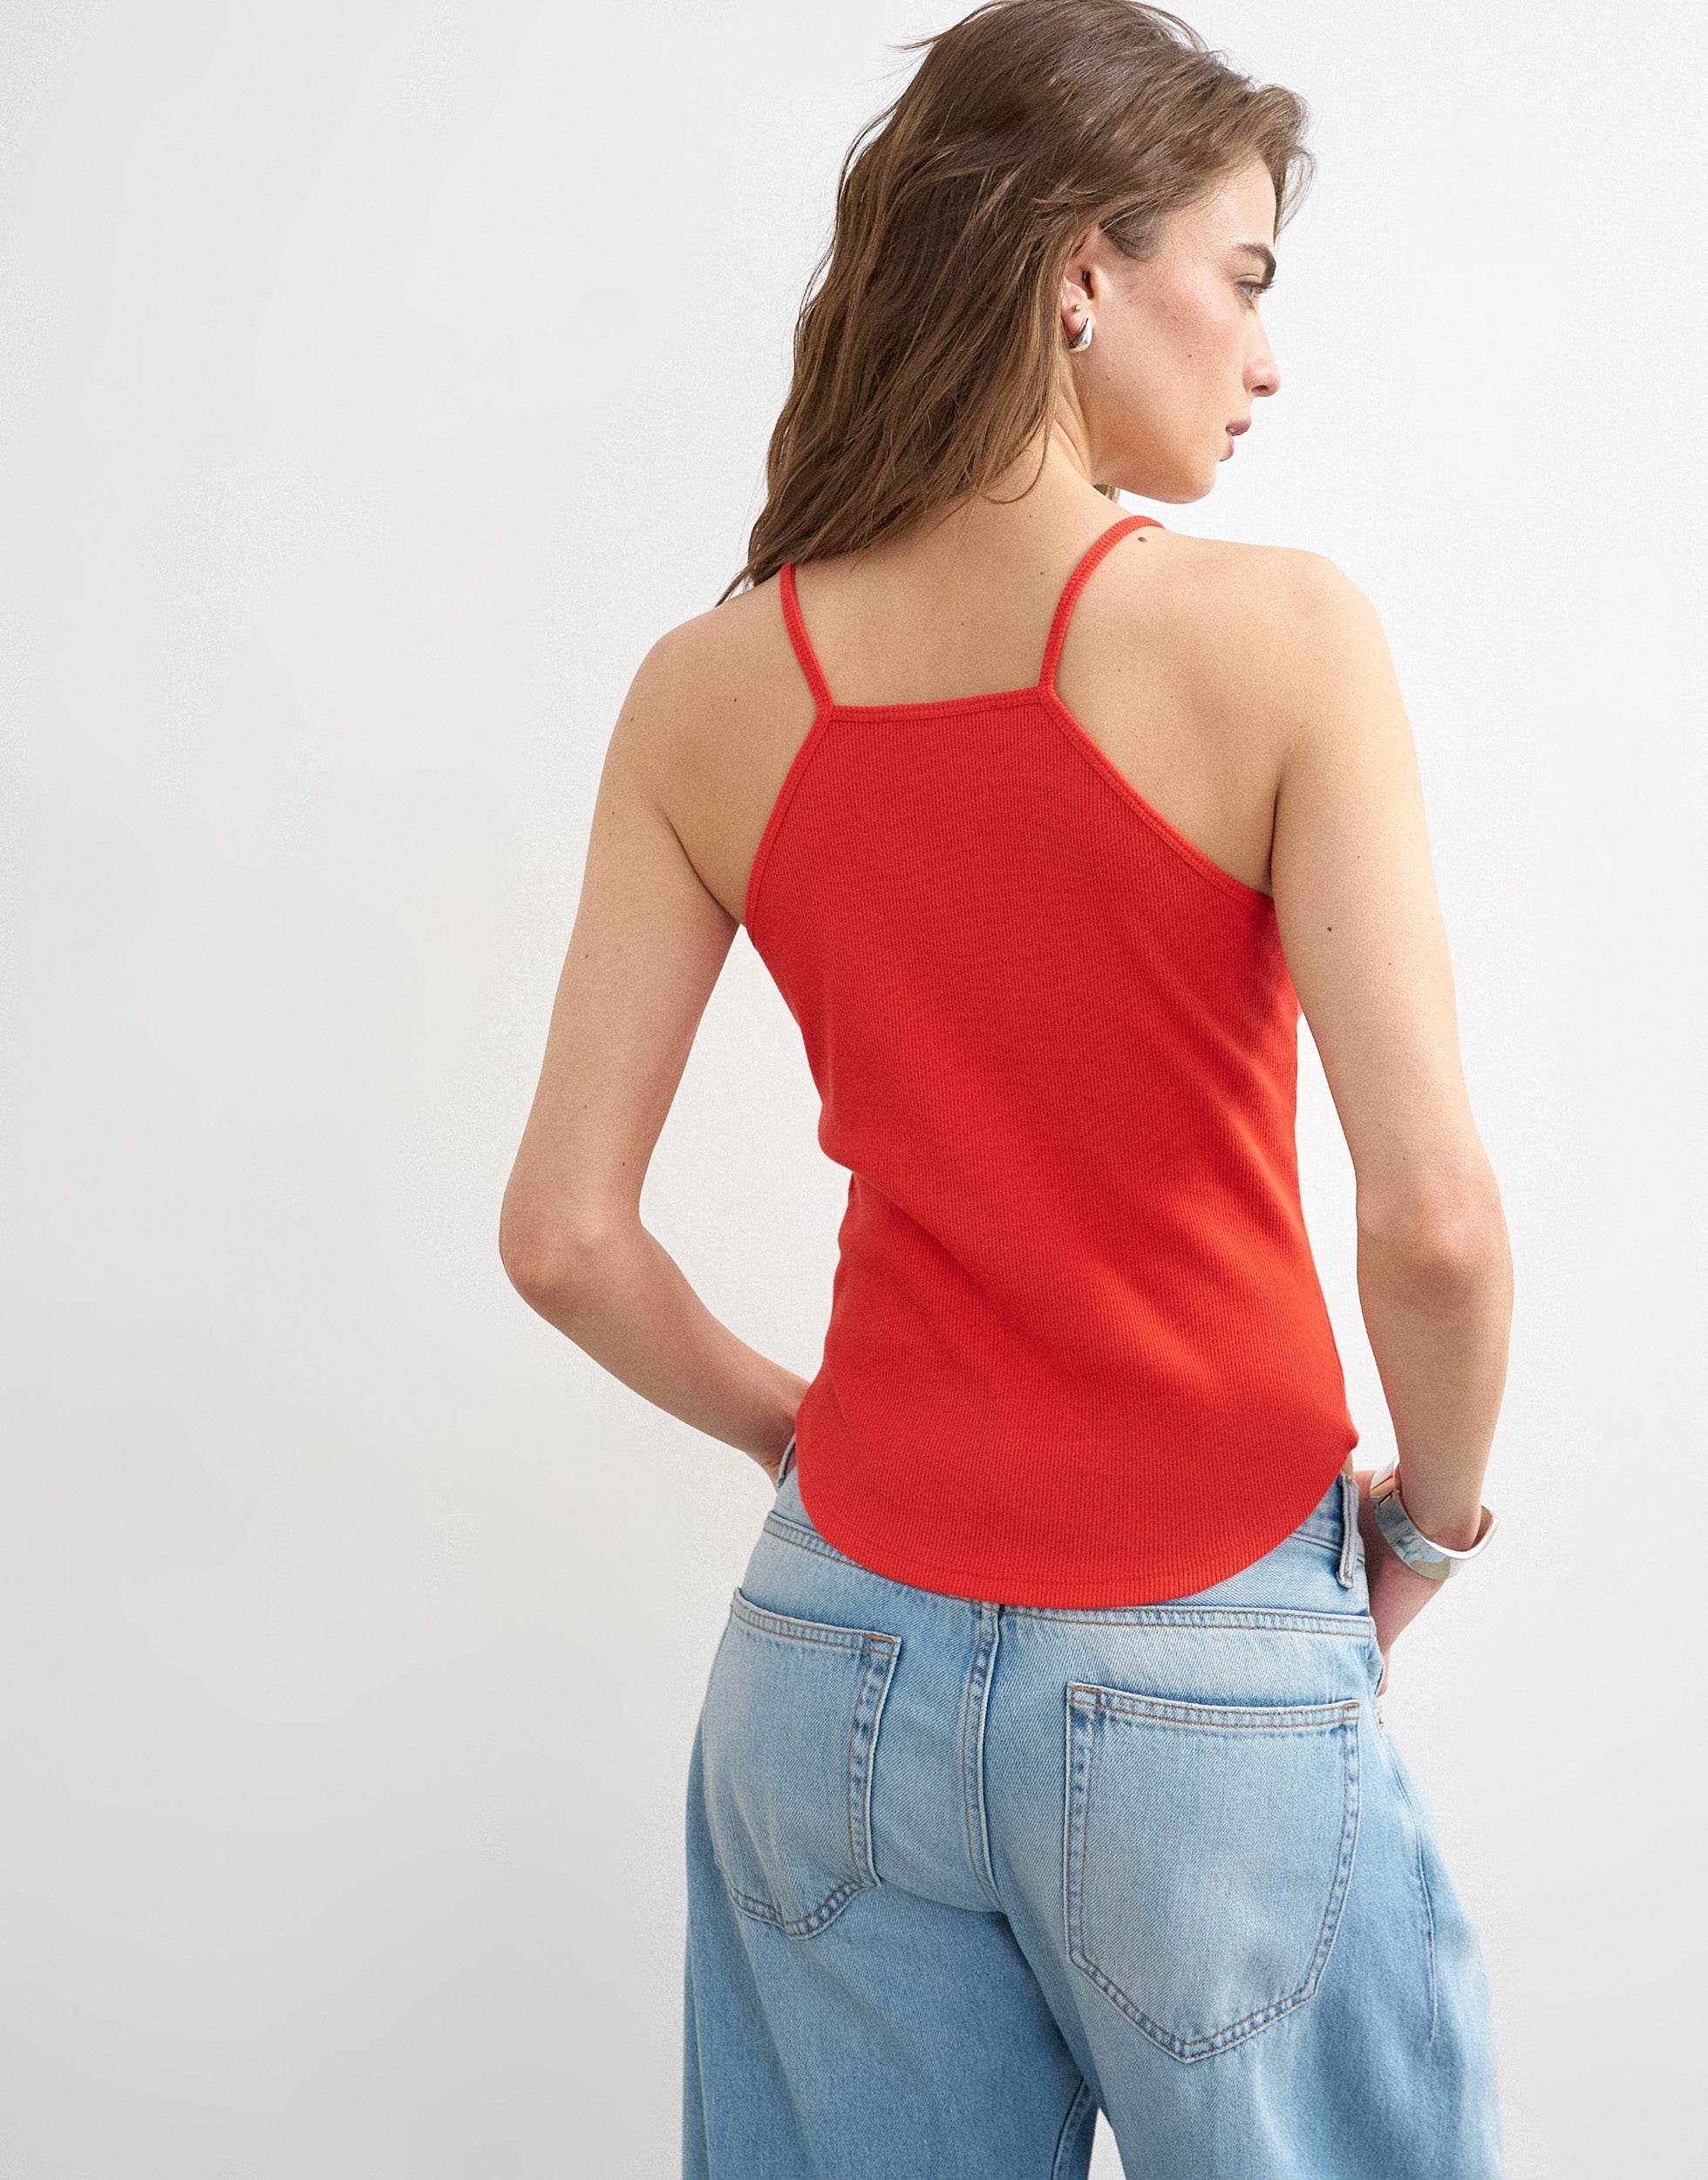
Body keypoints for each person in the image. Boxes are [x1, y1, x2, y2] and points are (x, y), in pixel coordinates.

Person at [498, 3, 1513, 2173]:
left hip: (825, 1656)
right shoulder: (1277, 638)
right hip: (1204, 1652)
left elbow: (563, 1236)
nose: (1264, 360)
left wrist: (791, 1427)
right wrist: (1426, 1525)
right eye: (1239, 277)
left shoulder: (704, 686)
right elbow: (1432, 1221)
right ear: (1078, 270)